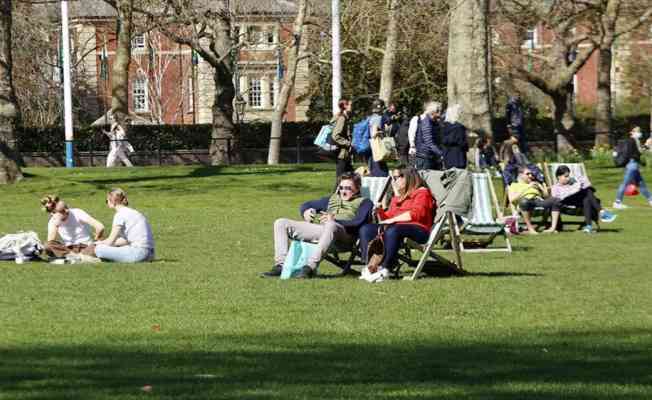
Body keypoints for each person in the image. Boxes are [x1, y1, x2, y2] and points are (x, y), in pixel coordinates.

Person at [263, 173, 373, 279]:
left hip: (345, 236)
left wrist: (335, 220)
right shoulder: (332, 199)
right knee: (281, 223)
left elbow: (358, 222)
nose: (343, 191)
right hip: (323, 231)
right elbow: (307, 204)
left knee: (330, 225)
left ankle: (309, 267)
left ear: (357, 189)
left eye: (348, 188)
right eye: (341, 188)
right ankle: (281, 265)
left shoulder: (365, 202)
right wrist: (306, 211)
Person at [358, 167, 434, 279]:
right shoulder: (398, 197)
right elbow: (389, 216)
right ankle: (370, 266)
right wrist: (379, 211)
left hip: (419, 229)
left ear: (407, 177)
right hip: (395, 228)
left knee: (394, 229)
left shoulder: (422, 193)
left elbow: (417, 215)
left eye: (396, 178)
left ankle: (385, 268)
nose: (394, 182)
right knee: (366, 229)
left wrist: (392, 220)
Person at [550, 166, 617, 233]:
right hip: (566, 202)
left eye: (568, 176)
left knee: (587, 196)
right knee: (587, 192)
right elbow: (558, 198)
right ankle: (602, 212)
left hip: (578, 200)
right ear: (559, 177)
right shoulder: (555, 187)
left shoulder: (572, 182)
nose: (568, 178)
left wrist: (580, 183)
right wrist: (573, 191)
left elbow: (587, 185)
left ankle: (589, 226)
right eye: (566, 176)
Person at [95, 188, 155, 263]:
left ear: (113, 201)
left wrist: (97, 244)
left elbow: (110, 241)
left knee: (99, 249)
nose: (107, 203)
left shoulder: (120, 215)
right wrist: (105, 242)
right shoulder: (134, 212)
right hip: (150, 254)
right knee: (114, 247)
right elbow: (125, 241)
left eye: (107, 201)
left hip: (139, 253)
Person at [40, 195, 105, 258]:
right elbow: (50, 242)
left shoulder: (77, 212)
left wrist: (96, 239)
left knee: (98, 246)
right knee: (47, 246)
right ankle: (77, 257)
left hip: (86, 247)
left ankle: (75, 257)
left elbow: (100, 227)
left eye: (66, 208)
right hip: (69, 250)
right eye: (62, 211)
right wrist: (56, 224)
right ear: (53, 213)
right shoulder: (53, 221)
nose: (66, 211)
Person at [508, 166, 560, 234]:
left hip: (538, 202)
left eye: (531, 174)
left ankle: (552, 228)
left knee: (556, 200)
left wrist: (541, 187)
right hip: (525, 204)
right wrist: (528, 187)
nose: (530, 176)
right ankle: (530, 229)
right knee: (524, 201)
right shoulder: (514, 185)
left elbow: (546, 196)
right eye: (527, 174)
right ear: (520, 175)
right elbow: (512, 199)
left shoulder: (535, 184)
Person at [614, 126, 652, 209]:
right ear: (631, 132)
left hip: (633, 164)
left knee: (642, 185)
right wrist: (646, 145)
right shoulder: (632, 141)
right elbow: (637, 152)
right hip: (632, 164)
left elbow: (638, 152)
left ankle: (650, 200)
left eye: (639, 131)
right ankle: (617, 202)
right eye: (637, 131)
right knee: (625, 183)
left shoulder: (635, 141)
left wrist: (646, 146)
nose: (639, 132)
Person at [414, 101, 443, 170]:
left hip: (432, 157)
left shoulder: (435, 122)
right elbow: (429, 143)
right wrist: (441, 153)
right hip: (424, 158)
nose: (440, 113)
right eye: (439, 111)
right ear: (433, 112)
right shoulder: (426, 123)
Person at [330, 98, 353, 180]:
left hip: (344, 154)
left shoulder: (345, 117)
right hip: (341, 154)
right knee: (341, 179)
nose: (351, 107)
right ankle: (336, 192)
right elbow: (335, 135)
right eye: (350, 105)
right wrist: (348, 143)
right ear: (345, 106)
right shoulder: (342, 118)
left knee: (349, 177)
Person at [441, 104, 468, 169]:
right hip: (459, 158)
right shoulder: (459, 127)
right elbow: (462, 143)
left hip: (447, 158)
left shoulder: (443, 126)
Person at [368, 99, 389, 177]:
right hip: (377, 146)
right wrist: (382, 132)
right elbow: (374, 133)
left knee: (374, 166)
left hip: (372, 146)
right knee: (381, 170)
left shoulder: (370, 117)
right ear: (380, 108)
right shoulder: (378, 118)